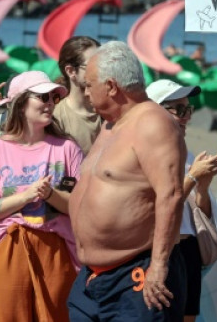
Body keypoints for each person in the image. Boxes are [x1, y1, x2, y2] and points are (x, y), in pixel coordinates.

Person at [68, 41, 188, 321]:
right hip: (92, 279)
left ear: (111, 86)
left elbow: (170, 195)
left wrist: (158, 267)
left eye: (89, 84)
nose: (85, 91)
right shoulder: (110, 124)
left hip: (135, 273)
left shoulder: (152, 123)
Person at [0, 71, 83, 321]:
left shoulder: (68, 148)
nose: (50, 103)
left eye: (53, 97)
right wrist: (26, 196)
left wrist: (50, 195)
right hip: (8, 247)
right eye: (42, 96)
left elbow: (80, 207)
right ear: (21, 103)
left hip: (57, 250)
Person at [146, 80, 217, 322]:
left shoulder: (185, 153)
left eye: (188, 109)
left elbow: (199, 213)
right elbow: (158, 204)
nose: (186, 116)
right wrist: (192, 177)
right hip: (160, 248)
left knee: (187, 316)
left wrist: (204, 185)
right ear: (155, 111)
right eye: (178, 110)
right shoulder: (145, 153)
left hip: (187, 247)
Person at [53, 36, 102, 153]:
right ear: (71, 71)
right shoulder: (57, 118)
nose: (101, 71)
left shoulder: (110, 110)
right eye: (92, 66)